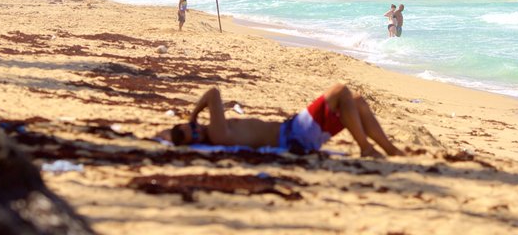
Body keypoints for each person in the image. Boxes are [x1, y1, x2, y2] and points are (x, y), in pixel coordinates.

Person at [162, 83, 403, 158]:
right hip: (294, 134)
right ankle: (365, 147)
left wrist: (182, 129)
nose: (195, 131)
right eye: (191, 134)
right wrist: (193, 115)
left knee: (357, 101)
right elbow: (213, 92)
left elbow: (164, 136)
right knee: (340, 90)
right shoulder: (216, 135)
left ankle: (391, 150)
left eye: (190, 128)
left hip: (298, 134)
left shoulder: (216, 132)